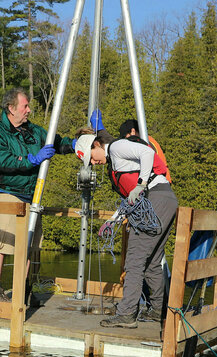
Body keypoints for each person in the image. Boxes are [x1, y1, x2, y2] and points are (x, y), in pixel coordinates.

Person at [76, 112, 178, 327]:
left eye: (92, 156)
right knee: (151, 262)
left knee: (134, 260)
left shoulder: (116, 147)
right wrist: (113, 220)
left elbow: (147, 154)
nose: (93, 162)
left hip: (156, 199)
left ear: (97, 144)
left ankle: (127, 314)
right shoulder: (115, 160)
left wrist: (141, 184)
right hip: (163, 200)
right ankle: (158, 310)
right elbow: (129, 199)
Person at [0, 87, 76, 302]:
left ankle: (22, 289)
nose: (29, 110)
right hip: (9, 192)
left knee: (29, 246)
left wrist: (75, 145)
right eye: (25, 106)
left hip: (32, 195)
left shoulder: (34, 131)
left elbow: (57, 141)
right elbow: (2, 161)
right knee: (3, 243)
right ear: (11, 108)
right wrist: (32, 159)